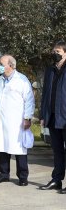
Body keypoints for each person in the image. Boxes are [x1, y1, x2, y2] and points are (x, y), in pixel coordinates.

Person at [0, 55, 35, 186]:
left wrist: (27, 117)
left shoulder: (21, 80)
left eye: (2, 64)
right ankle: (4, 174)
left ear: (11, 66)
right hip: (1, 121)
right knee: (2, 148)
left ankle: (23, 176)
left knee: (19, 149)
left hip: (17, 122)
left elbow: (29, 100)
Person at [40, 40, 66, 192]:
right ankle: (56, 180)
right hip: (53, 116)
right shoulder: (50, 70)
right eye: (54, 51)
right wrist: (43, 115)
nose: (55, 54)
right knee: (57, 151)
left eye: (58, 52)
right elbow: (45, 95)